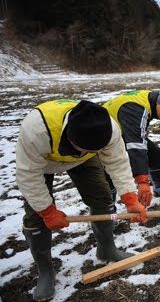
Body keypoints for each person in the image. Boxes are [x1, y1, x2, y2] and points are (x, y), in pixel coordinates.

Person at [16, 99, 149, 301]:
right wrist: (47, 210)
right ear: (70, 134)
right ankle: (45, 271)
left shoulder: (108, 129)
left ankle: (107, 249)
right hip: (43, 162)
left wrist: (130, 198)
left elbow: (118, 162)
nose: (86, 151)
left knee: (103, 198)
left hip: (83, 160)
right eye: (83, 147)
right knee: (36, 216)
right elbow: (28, 175)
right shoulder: (36, 129)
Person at [103, 89, 160, 205]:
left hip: (122, 128)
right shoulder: (136, 110)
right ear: (159, 103)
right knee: (109, 172)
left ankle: (159, 186)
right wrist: (142, 182)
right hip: (104, 135)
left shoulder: (153, 98)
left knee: (154, 152)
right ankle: (106, 208)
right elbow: (136, 147)